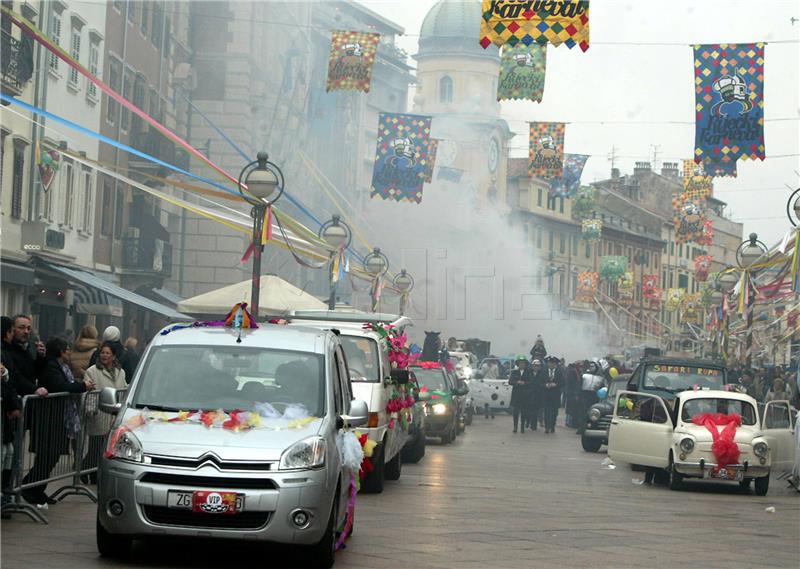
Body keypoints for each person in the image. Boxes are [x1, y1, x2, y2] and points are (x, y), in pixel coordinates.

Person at [21, 337, 95, 506]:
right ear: (61, 352)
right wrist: (83, 386)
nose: (69, 352)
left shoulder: (61, 366)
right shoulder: (51, 366)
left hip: (58, 417)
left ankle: (37, 490)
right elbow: (61, 386)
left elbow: (66, 383)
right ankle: (29, 487)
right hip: (49, 418)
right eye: (67, 349)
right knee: (46, 456)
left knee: (51, 457)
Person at [83, 342, 127, 482]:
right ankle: (86, 471)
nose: (104, 355)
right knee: (96, 447)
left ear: (114, 356)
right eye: (102, 352)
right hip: (99, 414)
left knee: (106, 448)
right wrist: (90, 410)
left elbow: (124, 388)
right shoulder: (92, 371)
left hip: (114, 416)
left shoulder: (121, 372)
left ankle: (95, 474)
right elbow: (89, 393)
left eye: (108, 353)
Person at [3, 315, 48, 398]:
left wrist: (40, 357)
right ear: (12, 330)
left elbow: (34, 373)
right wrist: (34, 389)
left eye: (28, 328)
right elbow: (15, 376)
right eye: (21, 328)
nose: (26, 331)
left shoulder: (26, 349)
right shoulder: (7, 350)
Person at [577, 360, 604, 435]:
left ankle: (591, 426)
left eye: (593, 366)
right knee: (583, 412)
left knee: (592, 412)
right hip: (584, 395)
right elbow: (579, 386)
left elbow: (602, 388)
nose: (591, 368)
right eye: (590, 366)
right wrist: (578, 395)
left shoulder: (600, 378)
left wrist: (598, 389)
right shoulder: (584, 376)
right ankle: (582, 427)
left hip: (594, 396)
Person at [508, 356, 533, 433]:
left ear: (525, 364)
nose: (521, 364)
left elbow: (531, 382)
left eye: (523, 363)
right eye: (520, 363)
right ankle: (515, 426)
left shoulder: (529, 372)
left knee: (524, 412)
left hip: (525, 395)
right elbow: (510, 381)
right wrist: (517, 383)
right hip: (516, 395)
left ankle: (522, 427)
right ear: (518, 364)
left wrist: (524, 383)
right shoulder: (514, 372)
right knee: (515, 412)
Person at [543, 356, 564, 434]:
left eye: (553, 363)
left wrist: (556, 384)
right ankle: (547, 427)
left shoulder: (559, 372)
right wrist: (545, 385)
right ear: (547, 363)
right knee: (547, 411)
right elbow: (539, 382)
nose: (551, 364)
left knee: (555, 412)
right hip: (546, 394)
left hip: (555, 394)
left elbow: (563, 382)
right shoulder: (543, 371)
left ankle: (552, 426)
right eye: (550, 363)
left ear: (555, 364)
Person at [527, 359, 546, 431]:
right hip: (529, 394)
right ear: (532, 366)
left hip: (538, 395)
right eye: (535, 365)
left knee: (536, 411)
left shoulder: (542, 374)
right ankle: (528, 422)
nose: (536, 367)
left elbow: (544, 383)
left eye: (537, 366)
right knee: (529, 410)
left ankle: (533, 425)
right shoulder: (528, 373)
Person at [564, 362, 582, 428]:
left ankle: (568, 421)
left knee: (569, 408)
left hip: (569, 392)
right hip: (572, 393)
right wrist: (575, 393)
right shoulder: (574, 372)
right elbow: (574, 383)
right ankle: (569, 422)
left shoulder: (570, 371)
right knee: (571, 408)